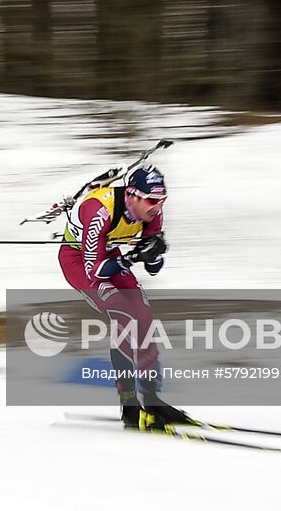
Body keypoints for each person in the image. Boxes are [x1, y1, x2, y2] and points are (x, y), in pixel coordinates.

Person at [58, 163, 192, 430]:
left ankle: (152, 400)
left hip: (110, 256)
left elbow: (153, 269)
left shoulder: (154, 213)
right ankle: (129, 405)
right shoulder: (99, 210)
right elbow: (93, 270)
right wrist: (135, 256)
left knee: (143, 313)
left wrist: (154, 252)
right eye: (152, 200)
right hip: (78, 260)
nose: (158, 207)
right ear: (132, 195)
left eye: (163, 200)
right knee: (123, 313)